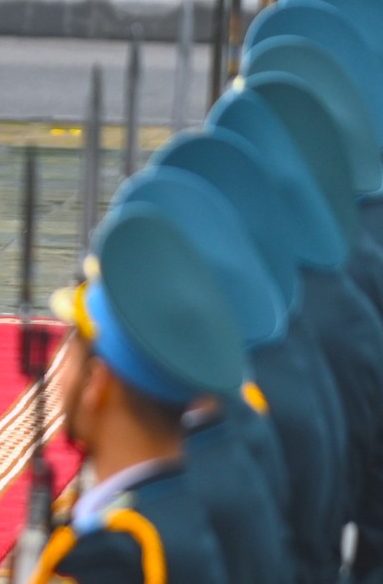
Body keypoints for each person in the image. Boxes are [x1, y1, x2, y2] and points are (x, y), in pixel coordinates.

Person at [35, 204, 236, 584]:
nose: (58, 376)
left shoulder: (116, 553)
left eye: (70, 355)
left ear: (97, 382)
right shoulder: (189, 504)